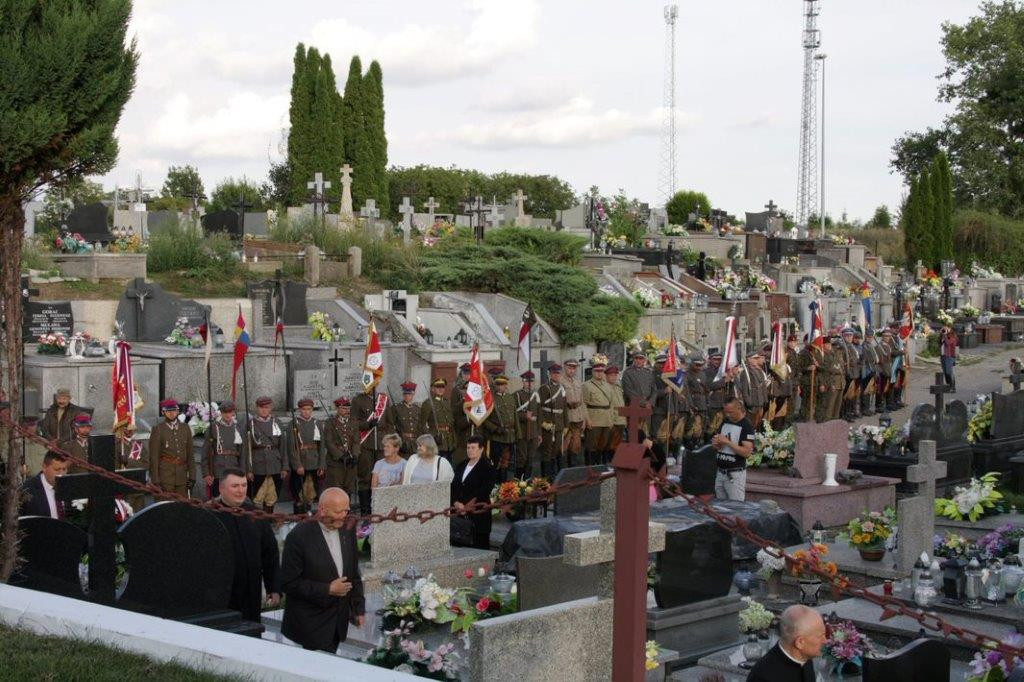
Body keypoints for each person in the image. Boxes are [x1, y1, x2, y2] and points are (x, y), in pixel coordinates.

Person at [280, 487, 365, 652]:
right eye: (338, 511)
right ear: (322, 509)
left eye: (346, 511)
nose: (343, 516)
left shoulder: (346, 529)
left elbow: (353, 572)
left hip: (337, 622)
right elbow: (288, 583)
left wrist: (358, 608)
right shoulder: (299, 536)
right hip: (310, 624)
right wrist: (327, 589)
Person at [211, 468, 280, 626]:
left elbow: (270, 554)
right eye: (234, 486)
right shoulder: (209, 515)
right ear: (221, 488)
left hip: (251, 594)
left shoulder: (255, 515)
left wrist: (273, 588)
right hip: (221, 596)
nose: (240, 490)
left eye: (244, 485)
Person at [746, 604, 824, 682]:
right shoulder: (763, 677)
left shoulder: (804, 657)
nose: (825, 640)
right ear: (800, 642)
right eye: (820, 636)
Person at [451, 435, 498, 550]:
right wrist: (456, 502)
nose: (470, 450)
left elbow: (485, 489)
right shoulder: (462, 465)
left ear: (481, 449)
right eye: (468, 448)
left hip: (478, 514)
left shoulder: (487, 467)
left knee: (479, 546)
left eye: (473, 448)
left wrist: (466, 506)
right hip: (459, 513)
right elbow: (454, 486)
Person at [245, 396, 288, 514]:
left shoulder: (277, 422)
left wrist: (284, 466)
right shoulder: (251, 424)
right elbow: (246, 449)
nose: (264, 410)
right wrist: (248, 469)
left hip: (275, 464)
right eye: (261, 407)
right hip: (258, 466)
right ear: (257, 408)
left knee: (272, 496)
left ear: (271, 408)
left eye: (267, 407)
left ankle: (269, 521)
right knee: (257, 496)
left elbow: (283, 447)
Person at [711, 398, 755, 501]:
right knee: (720, 508)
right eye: (726, 412)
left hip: (734, 475)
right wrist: (716, 444)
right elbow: (719, 445)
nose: (728, 415)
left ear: (739, 408)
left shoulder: (746, 425)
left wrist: (727, 442)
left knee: (736, 509)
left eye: (730, 412)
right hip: (720, 473)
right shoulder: (725, 421)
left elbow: (747, 453)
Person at [149, 399, 194, 497]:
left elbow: (190, 454)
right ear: (163, 412)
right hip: (165, 478)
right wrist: (155, 480)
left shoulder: (185, 428)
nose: (172, 413)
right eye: (168, 411)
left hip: (182, 477)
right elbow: (154, 457)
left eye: (174, 410)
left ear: (178, 411)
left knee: (182, 507)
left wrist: (192, 476)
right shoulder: (158, 429)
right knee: (166, 507)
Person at [202, 400, 245, 500]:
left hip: (233, 467)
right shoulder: (213, 428)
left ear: (233, 412)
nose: (227, 414)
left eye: (230, 412)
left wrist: (243, 471)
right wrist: (206, 473)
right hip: (218, 469)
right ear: (221, 413)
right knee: (218, 499)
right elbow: (206, 452)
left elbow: (243, 453)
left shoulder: (238, 428)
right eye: (225, 412)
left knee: (233, 498)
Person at [289, 398, 325, 515]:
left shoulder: (317, 423)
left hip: (313, 463)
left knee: (311, 493)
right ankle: (298, 517)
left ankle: (309, 516)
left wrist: (321, 465)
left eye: (309, 409)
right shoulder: (294, 424)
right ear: (300, 410)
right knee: (298, 493)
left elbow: (321, 446)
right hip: (301, 463)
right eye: (304, 409)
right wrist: (297, 465)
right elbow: (292, 447)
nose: (306, 412)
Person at [323, 397, 361, 500]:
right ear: (338, 409)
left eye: (348, 408)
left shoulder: (353, 422)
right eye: (344, 408)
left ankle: (346, 513)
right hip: (336, 464)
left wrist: (355, 455)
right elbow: (329, 442)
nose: (347, 411)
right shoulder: (330, 423)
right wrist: (340, 456)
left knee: (348, 490)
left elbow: (356, 441)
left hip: (350, 463)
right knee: (336, 490)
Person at [484, 375, 519, 481]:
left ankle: (504, 486)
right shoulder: (490, 399)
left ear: (506, 385)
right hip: (497, 437)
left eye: (502, 384)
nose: (500, 387)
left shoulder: (510, 398)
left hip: (510, 436)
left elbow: (515, 416)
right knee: (496, 463)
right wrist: (495, 428)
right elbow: (484, 419)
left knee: (506, 463)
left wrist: (518, 433)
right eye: (498, 384)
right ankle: (495, 486)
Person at [536, 363, 568, 476]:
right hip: (548, 425)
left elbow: (564, 408)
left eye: (558, 373)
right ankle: (545, 479)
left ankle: (554, 477)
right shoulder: (544, 388)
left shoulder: (562, 388)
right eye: (554, 373)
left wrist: (566, 425)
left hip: (559, 425)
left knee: (556, 451)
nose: (556, 375)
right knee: (547, 452)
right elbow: (538, 408)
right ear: (550, 374)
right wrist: (542, 423)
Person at [19, 451, 70, 518]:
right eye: (57, 469)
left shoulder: (69, 485)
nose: (61, 474)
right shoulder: (28, 489)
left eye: (64, 469)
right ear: (44, 467)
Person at [582, 359, 614, 465]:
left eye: (601, 371)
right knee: (591, 446)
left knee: (603, 445)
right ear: (592, 372)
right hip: (594, 418)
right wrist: (587, 420)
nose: (599, 373)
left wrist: (611, 419)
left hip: (606, 419)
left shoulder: (608, 386)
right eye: (597, 371)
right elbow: (584, 404)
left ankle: (600, 468)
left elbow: (611, 404)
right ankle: (589, 469)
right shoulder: (587, 385)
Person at [418, 378, 455, 460]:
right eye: (438, 387)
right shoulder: (428, 403)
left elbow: (451, 422)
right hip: (436, 439)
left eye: (442, 387)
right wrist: (430, 438)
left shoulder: (447, 402)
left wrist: (453, 440)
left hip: (448, 440)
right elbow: (422, 424)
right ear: (433, 389)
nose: (440, 389)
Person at [514, 371, 539, 477]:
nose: (529, 383)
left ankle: (527, 481)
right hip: (522, 431)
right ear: (523, 382)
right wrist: (524, 416)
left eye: (531, 381)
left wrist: (539, 433)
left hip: (533, 431)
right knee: (521, 458)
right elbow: (512, 414)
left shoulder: (535, 395)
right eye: (526, 381)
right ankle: (518, 481)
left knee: (530, 458)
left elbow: (539, 415)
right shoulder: (516, 395)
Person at [561, 359, 585, 467]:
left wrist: (584, 418)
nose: (571, 370)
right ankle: (563, 471)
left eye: (574, 368)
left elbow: (582, 401)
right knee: (564, 446)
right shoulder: (560, 381)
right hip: (566, 417)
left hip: (578, 418)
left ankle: (573, 471)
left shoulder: (577, 382)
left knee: (576, 445)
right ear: (565, 367)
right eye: (569, 368)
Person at [393, 382, 421, 454]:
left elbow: (421, 426)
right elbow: (391, 426)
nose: (407, 396)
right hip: (402, 442)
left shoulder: (417, 409)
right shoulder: (397, 408)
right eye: (405, 394)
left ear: (413, 394)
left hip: (415, 442)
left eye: (409, 394)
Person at [941, 323, 959, 391]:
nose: (945, 329)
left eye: (947, 328)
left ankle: (953, 387)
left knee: (949, 372)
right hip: (943, 355)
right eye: (944, 327)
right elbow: (940, 343)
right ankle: (948, 387)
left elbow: (948, 343)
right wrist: (942, 334)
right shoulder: (944, 335)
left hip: (950, 356)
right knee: (945, 372)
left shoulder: (953, 336)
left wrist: (945, 335)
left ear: (950, 329)